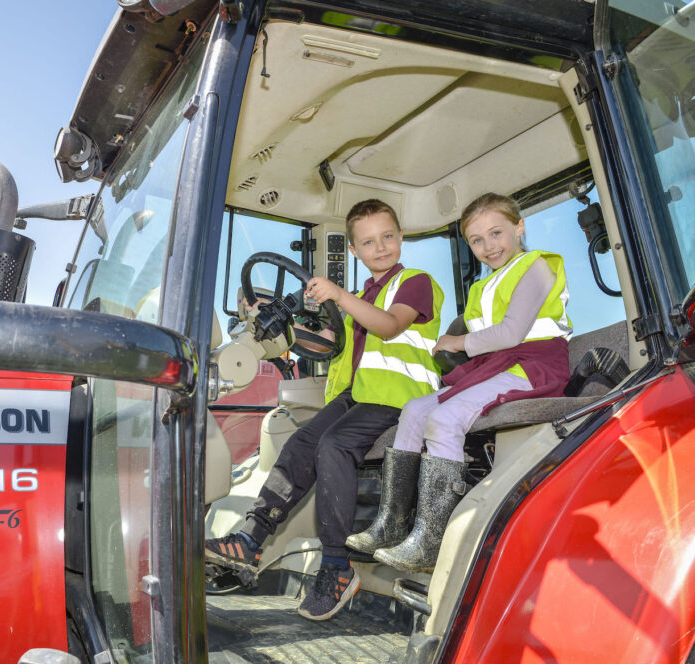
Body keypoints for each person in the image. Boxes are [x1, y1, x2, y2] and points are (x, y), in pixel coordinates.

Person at [205, 198, 444, 621]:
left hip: (401, 398)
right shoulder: (363, 296)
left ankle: (336, 566)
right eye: (369, 242)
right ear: (354, 251)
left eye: (388, 236)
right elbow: (331, 343)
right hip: (357, 396)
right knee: (300, 443)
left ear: (401, 237)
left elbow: (389, 326)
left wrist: (338, 294)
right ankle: (251, 536)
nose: (381, 247)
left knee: (334, 446)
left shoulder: (415, 282)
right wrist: (274, 319)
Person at [348, 192, 572, 572]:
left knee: (444, 419)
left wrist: (456, 342)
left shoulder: (536, 267)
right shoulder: (482, 287)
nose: (489, 246)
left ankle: (433, 541)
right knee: (416, 409)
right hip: (495, 365)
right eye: (477, 240)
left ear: (519, 227)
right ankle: (393, 521)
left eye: (497, 233)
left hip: (533, 365)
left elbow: (512, 332)